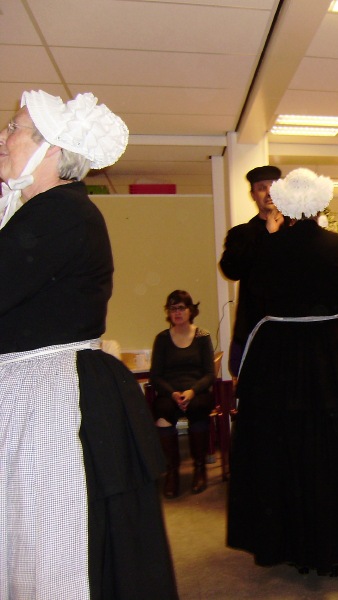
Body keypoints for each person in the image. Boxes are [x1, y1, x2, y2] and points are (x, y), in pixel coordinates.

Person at [0, 90, 177, 598]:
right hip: (37, 384)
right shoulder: (45, 212)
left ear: (52, 148)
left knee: (50, 537)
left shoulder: (60, 212)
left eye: (14, 127)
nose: (4, 136)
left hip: (49, 393)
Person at [227, 168, 338, 577]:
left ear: (286, 204)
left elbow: (262, 292)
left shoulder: (270, 245)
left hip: (280, 353)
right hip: (331, 351)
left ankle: (290, 539)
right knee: (336, 440)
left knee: (284, 441)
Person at [150, 290, 216, 498]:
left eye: (181, 308)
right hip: (170, 393)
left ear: (190, 311)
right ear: (168, 313)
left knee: (199, 409)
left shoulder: (203, 336)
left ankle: (200, 469)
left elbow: (210, 374)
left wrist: (192, 391)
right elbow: (155, 376)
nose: (177, 313)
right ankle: (172, 473)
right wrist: (172, 394)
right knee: (161, 412)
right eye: (172, 308)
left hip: (196, 392)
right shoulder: (162, 339)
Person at [219, 165, 282, 378]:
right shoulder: (241, 234)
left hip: (290, 328)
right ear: (253, 195)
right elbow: (231, 270)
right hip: (253, 327)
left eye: (273, 186)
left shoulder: (296, 231)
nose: (269, 192)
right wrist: (267, 235)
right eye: (262, 188)